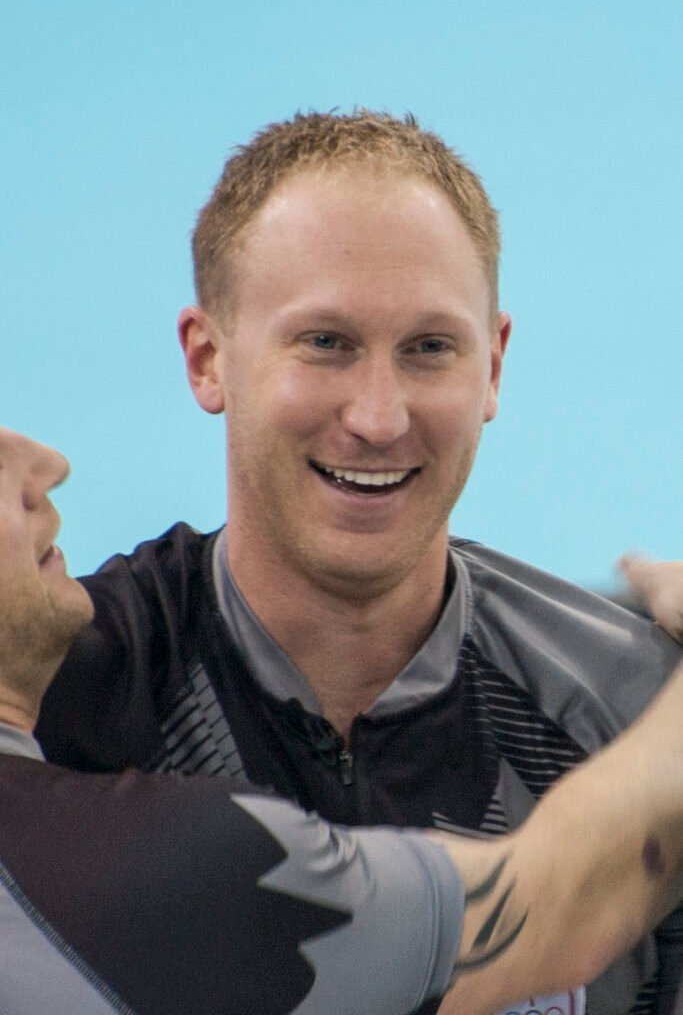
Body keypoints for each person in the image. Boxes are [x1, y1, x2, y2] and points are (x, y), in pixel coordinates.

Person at [34, 111, 683, 1014]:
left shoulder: (632, 710)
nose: (378, 418)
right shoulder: (62, 699)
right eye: (326, 344)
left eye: (428, 349)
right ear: (207, 357)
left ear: (492, 367)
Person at [2, 426, 683, 1015]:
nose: (44, 461)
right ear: (207, 361)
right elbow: (561, 901)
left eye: (428, 348)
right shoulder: (180, 862)